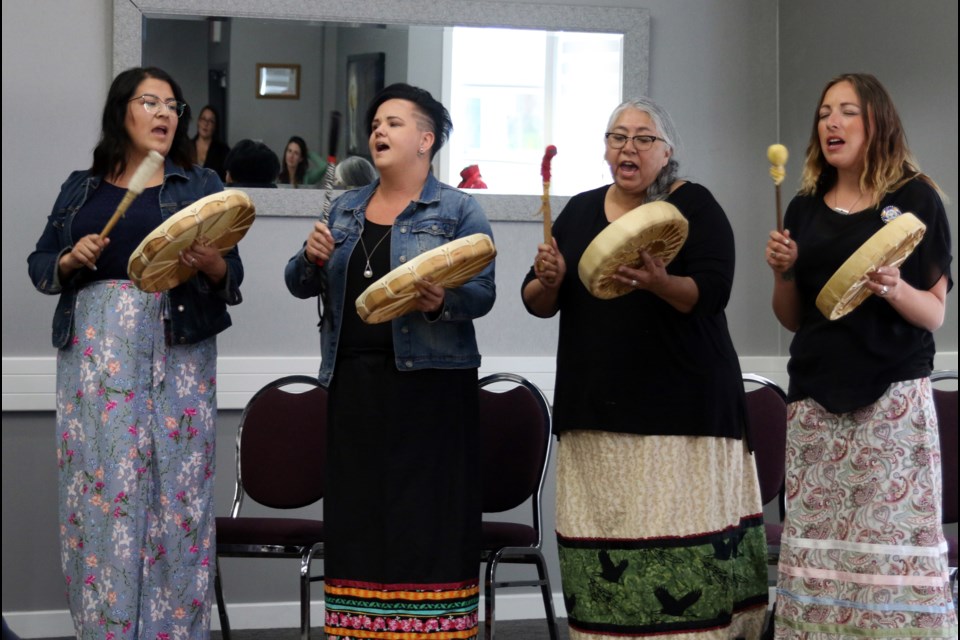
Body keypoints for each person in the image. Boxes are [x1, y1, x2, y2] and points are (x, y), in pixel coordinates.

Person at [522, 97, 768, 639]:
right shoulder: (580, 211)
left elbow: (710, 293)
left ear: (667, 152)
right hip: (596, 413)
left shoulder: (693, 206)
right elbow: (537, 301)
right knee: (609, 562)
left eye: (643, 137)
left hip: (683, 413)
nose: (628, 147)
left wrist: (659, 282)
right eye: (617, 136)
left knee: (684, 558)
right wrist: (551, 277)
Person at [27, 67, 243, 639]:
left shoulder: (199, 187)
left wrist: (214, 265)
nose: (166, 114)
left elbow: (232, 275)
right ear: (122, 110)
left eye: (173, 104)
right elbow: (40, 264)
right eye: (151, 102)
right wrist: (69, 261)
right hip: (95, 359)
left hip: (179, 353)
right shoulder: (82, 187)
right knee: (103, 496)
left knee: (177, 498)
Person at [286, 83, 494, 638]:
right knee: (360, 521)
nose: (379, 130)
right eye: (377, 122)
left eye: (394, 123)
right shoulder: (345, 207)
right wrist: (309, 259)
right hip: (354, 388)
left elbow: (483, 292)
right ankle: (359, 631)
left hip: (432, 392)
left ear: (426, 140)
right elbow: (298, 281)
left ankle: (433, 631)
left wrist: (442, 301)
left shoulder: (457, 209)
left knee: (425, 522)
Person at [765, 73, 956, 639]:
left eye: (847, 111)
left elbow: (934, 314)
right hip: (815, 403)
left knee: (890, 544)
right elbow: (793, 318)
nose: (831, 123)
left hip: (892, 401)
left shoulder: (916, 198)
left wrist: (894, 287)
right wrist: (782, 273)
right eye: (825, 112)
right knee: (822, 552)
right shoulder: (800, 208)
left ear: (877, 123)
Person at [192, 104, 230, 181]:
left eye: (211, 121)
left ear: (215, 126)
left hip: (215, 192)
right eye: (203, 119)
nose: (206, 124)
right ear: (198, 121)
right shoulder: (186, 147)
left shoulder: (223, 150)